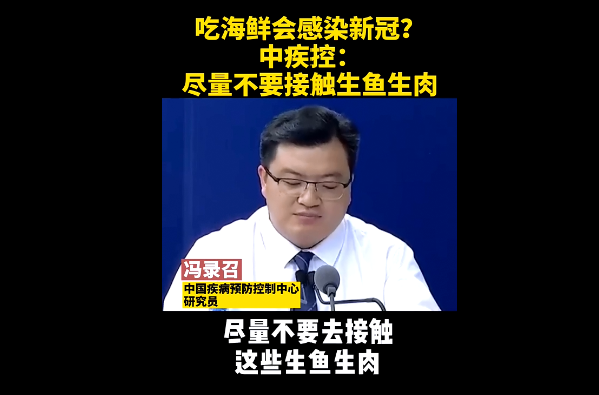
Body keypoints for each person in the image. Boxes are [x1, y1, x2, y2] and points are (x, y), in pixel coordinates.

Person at [163, 105, 440, 311]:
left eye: (329, 185)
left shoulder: (387, 257)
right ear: (264, 180)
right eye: (292, 182)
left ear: (349, 186)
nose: (309, 199)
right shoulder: (216, 255)